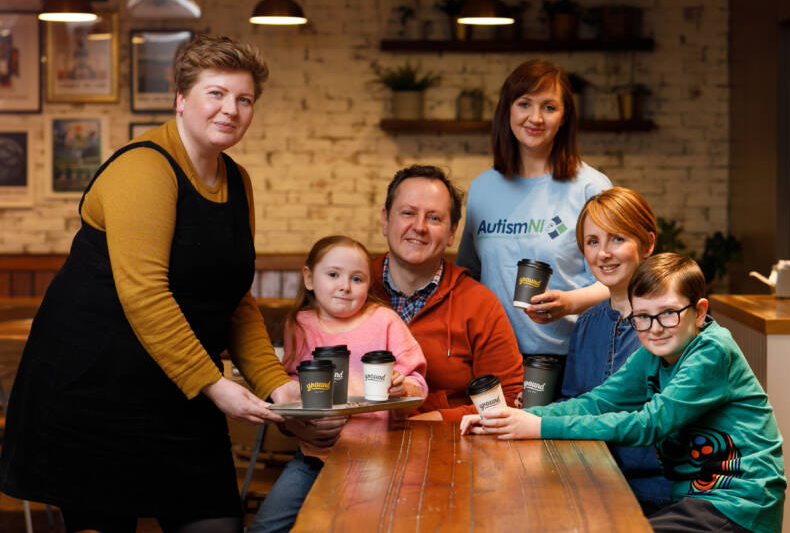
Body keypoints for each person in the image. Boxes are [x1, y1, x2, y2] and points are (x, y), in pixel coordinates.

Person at [0, 34, 304, 533]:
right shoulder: (144, 167)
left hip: (180, 390)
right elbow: (145, 293)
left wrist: (275, 385)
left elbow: (233, 299)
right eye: (216, 94)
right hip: (95, 392)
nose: (231, 109)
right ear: (181, 100)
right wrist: (214, 384)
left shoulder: (238, 180)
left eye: (244, 99)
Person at [462, 253, 786, 533]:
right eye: (643, 317)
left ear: (699, 312)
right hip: (696, 498)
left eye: (669, 313)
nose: (656, 327)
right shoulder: (653, 353)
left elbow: (649, 424)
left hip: (740, 500)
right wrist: (514, 418)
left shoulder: (712, 351)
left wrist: (540, 427)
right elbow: (597, 402)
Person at [248, 235, 428, 533]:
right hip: (313, 457)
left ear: (368, 284)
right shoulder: (300, 324)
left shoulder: (384, 320)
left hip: (377, 458)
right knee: (265, 527)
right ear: (309, 278)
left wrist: (403, 387)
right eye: (333, 275)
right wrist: (299, 421)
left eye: (356, 278)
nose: (345, 285)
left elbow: (418, 383)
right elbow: (289, 385)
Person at [457, 58, 613, 367]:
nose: (535, 118)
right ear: (507, 111)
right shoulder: (482, 188)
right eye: (524, 104)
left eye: (549, 107)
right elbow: (468, 277)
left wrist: (571, 302)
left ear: (564, 117)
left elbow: (618, 278)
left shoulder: (591, 187)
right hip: (494, 356)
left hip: (575, 358)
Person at [371, 165, 524, 421]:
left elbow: (507, 398)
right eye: (408, 213)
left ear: (452, 232)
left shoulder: (479, 304)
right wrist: (307, 427)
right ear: (385, 220)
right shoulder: (351, 287)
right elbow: (303, 379)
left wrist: (438, 419)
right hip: (346, 446)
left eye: (434, 218)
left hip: (447, 450)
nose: (419, 227)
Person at [561, 186, 672, 512]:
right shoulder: (585, 324)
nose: (603, 254)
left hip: (661, 495)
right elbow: (573, 401)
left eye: (617, 239)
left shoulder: (673, 323)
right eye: (593, 242)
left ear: (648, 243)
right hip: (592, 485)